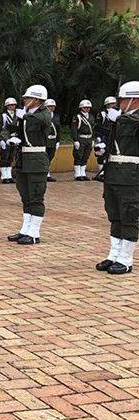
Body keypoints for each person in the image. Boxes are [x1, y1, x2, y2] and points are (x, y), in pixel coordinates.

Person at [95, 80, 139, 275]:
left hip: (131, 174)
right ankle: (114, 254)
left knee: (129, 214)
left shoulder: (130, 119)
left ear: (134, 100)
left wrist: (118, 119)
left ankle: (126, 259)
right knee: (114, 214)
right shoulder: (120, 119)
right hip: (113, 172)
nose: (118, 104)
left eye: (122, 100)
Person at [6, 85, 52, 245]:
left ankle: (34, 233)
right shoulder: (24, 114)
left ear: (37, 100)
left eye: (27, 98)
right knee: (25, 196)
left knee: (36, 196)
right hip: (22, 159)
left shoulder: (43, 113)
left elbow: (45, 120)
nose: (24, 100)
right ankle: (25, 229)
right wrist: (10, 138)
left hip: (37, 161)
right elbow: (11, 129)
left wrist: (24, 117)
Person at [94, 96, 118, 182]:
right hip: (103, 136)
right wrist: (98, 137)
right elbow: (98, 126)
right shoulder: (102, 114)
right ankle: (101, 172)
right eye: (110, 104)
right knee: (101, 153)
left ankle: (107, 171)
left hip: (113, 136)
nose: (112, 105)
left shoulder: (118, 113)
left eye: (113, 103)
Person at [72, 99, 95, 181]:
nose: (87, 109)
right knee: (78, 155)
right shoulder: (77, 117)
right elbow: (74, 129)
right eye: (85, 107)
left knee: (86, 156)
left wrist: (93, 139)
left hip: (89, 138)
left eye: (88, 107)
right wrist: (75, 140)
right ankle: (77, 174)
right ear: (81, 108)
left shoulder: (91, 116)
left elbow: (93, 129)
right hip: (81, 138)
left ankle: (83, 173)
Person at [0, 97, 19, 184]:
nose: (12, 106)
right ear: (7, 106)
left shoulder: (18, 115)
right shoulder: (3, 115)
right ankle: (4, 176)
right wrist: (0, 140)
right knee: (4, 157)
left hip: (14, 139)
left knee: (11, 157)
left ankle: (9, 176)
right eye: (10, 105)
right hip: (5, 138)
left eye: (14, 105)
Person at [45, 99, 61, 182]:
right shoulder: (43, 116)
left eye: (53, 106)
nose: (51, 108)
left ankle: (47, 174)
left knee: (50, 157)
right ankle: (44, 174)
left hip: (53, 140)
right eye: (50, 106)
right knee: (44, 157)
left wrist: (58, 141)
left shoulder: (56, 116)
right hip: (45, 140)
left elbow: (58, 130)